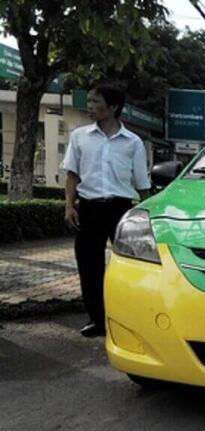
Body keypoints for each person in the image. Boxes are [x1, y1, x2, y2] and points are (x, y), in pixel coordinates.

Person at [62, 83, 151, 337]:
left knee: (131, 266)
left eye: (95, 102)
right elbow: (72, 173)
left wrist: (147, 214)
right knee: (89, 265)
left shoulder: (132, 142)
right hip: (89, 208)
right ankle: (97, 320)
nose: (89, 106)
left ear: (112, 107)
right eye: (89, 101)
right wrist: (69, 205)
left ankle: (131, 320)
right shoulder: (80, 136)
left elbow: (142, 182)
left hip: (121, 210)